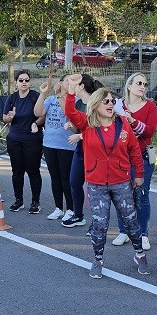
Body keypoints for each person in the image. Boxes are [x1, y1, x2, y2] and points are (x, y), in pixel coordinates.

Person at [64, 82, 150, 278]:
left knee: (131, 221)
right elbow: (70, 111)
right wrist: (71, 92)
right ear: (95, 104)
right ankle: (98, 259)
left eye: (112, 101)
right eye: (106, 101)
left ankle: (139, 254)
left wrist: (139, 175)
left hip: (121, 182)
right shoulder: (87, 123)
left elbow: (134, 150)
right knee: (100, 223)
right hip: (97, 184)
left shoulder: (123, 123)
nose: (111, 104)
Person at [112, 72, 157, 250]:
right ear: (129, 85)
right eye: (139, 83)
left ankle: (143, 234)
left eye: (145, 84)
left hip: (142, 157)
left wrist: (131, 120)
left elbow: (149, 131)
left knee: (141, 194)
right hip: (121, 157)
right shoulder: (118, 104)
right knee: (121, 195)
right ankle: (123, 231)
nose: (142, 87)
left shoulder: (150, 105)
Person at [60, 74, 102, 228]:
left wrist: (80, 136)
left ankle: (97, 222)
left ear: (82, 86)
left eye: (75, 84)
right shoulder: (78, 103)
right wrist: (72, 127)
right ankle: (78, 215)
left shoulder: (97, 104)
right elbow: (77, 123)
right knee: (74, 181)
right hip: (81, 149)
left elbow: (100, 129)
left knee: (96, 187)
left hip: (96, 150)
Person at [2, 70, 44, 213]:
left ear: (30, 82)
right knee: (17, 171)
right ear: (16, 82)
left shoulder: (35, 96)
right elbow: (4, 118)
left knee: (33, 171)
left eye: (27, 80)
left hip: (32, 139)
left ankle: (35, 202)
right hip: (14, 139)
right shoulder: (12, 98)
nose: (24, 82)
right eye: (21, 80)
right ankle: (18, 200)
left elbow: (43, 115)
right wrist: (10, 117)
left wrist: (36, 123)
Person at [34, 76, 76, 220]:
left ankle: (70, 208)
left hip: (66, 145)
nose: (69, 83)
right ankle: (58, 208)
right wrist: (42, 94)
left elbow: (68, 112)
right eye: (67, 80)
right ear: (60, 83)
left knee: (66, 178)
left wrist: (59, 95)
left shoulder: (74, 99)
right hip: (49, 143)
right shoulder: (50, 99)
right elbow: (38, 113)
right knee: (55, 177)